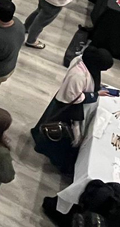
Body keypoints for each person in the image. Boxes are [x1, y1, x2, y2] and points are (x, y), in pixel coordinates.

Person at [31, 46, 114, 174]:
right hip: (67, 108)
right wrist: (95, 94)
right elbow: (74, 97)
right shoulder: (77, 75)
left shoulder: (85, 62)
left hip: (70, 101)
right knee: (62, 133)